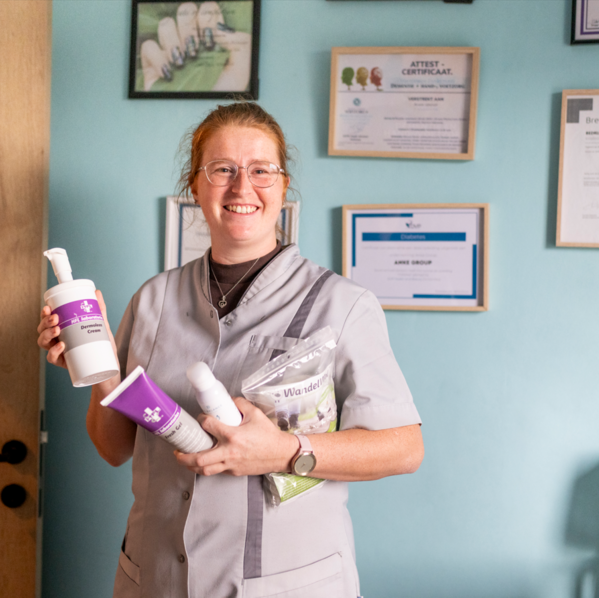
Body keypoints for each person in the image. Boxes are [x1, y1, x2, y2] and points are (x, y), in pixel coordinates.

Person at [37, 102, 424, 598]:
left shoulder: (343, 305)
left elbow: (405, 449)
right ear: (195, 187)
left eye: (262, 170)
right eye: (223, 170)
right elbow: (114, 448)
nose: (243, 188)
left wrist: (286, 451)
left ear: (284, 188)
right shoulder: (153, 299)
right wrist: (101, 370)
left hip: (286, 584)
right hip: (156, 579)